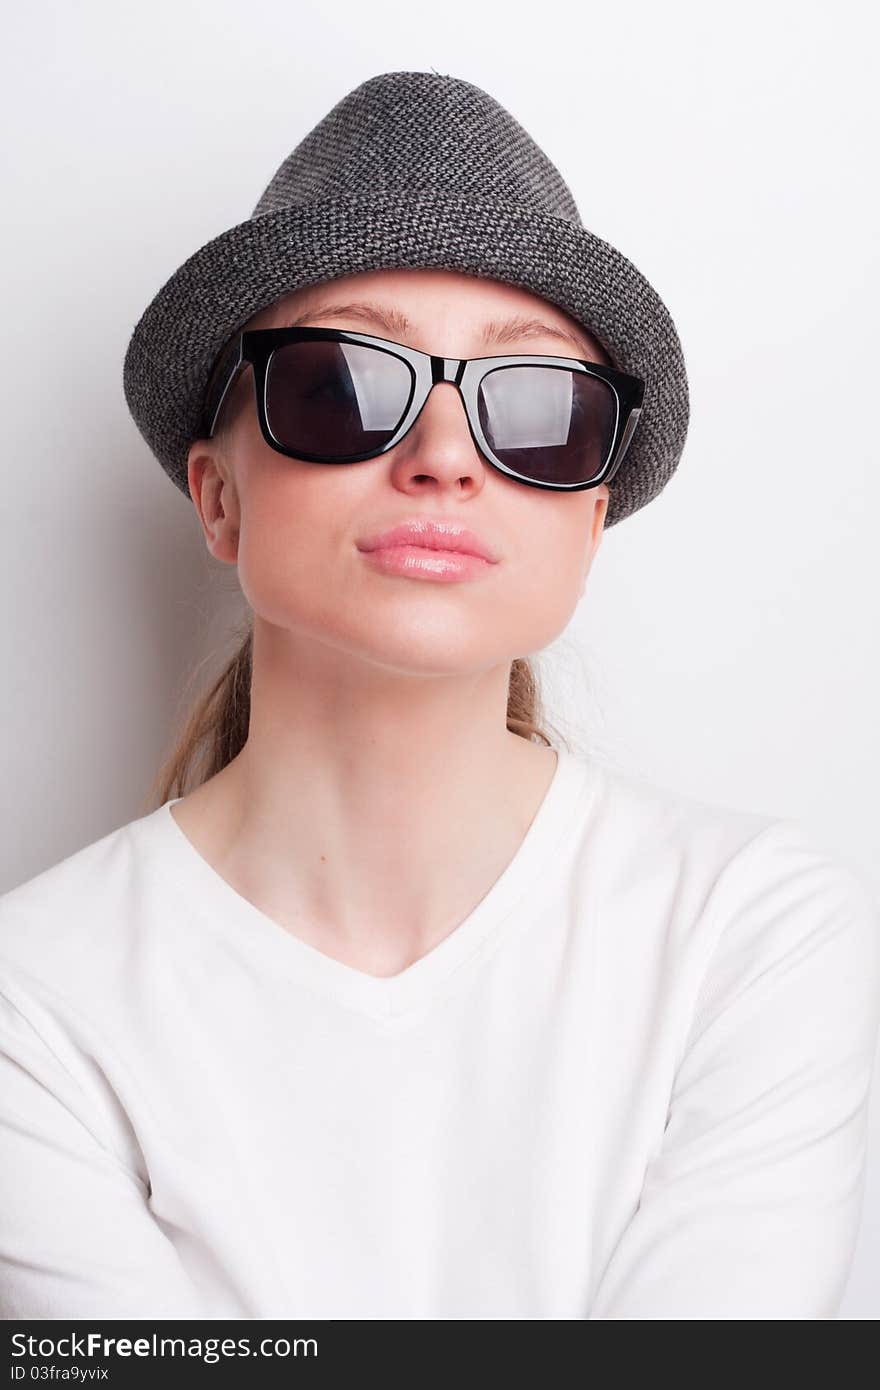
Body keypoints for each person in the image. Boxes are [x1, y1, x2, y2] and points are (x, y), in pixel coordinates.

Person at [1, 71, 878, 1322]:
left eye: (538, 410)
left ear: (590, 524)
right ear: (217, 496)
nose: (442, 458)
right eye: (345, 385)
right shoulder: (34, 1002)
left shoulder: (752, 932)